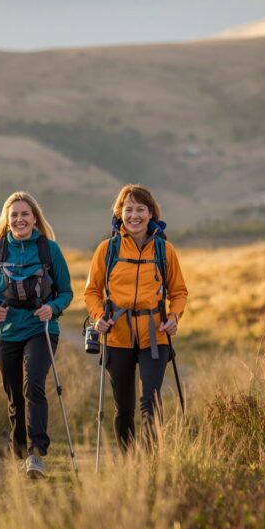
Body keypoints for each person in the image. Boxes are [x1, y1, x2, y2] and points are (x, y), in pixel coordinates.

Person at [84, 184, 188, 451]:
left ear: (151, 213)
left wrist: (174, 316)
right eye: (128, 209)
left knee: (151, 401)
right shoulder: (107, 250)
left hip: (156, 335)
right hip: (117, 337)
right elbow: (92, 292)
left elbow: (178, 292)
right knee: (125, 408)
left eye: (140, 209)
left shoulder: (165, 251)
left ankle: (151, 465)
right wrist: (98, 318)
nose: (134, 215)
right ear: (119, 213)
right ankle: (130, 464)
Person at [0, 192, 73, 478]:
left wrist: (52, 308)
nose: (19, 219)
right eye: (14, 215)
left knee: (34, 384)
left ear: (35, 218)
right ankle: (19, 450)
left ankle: (35, 453)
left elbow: (66, 292)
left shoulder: (49, 250)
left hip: (41, 329)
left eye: (24, 214)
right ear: (7, 220)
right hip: (5, 332)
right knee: (13, 394)